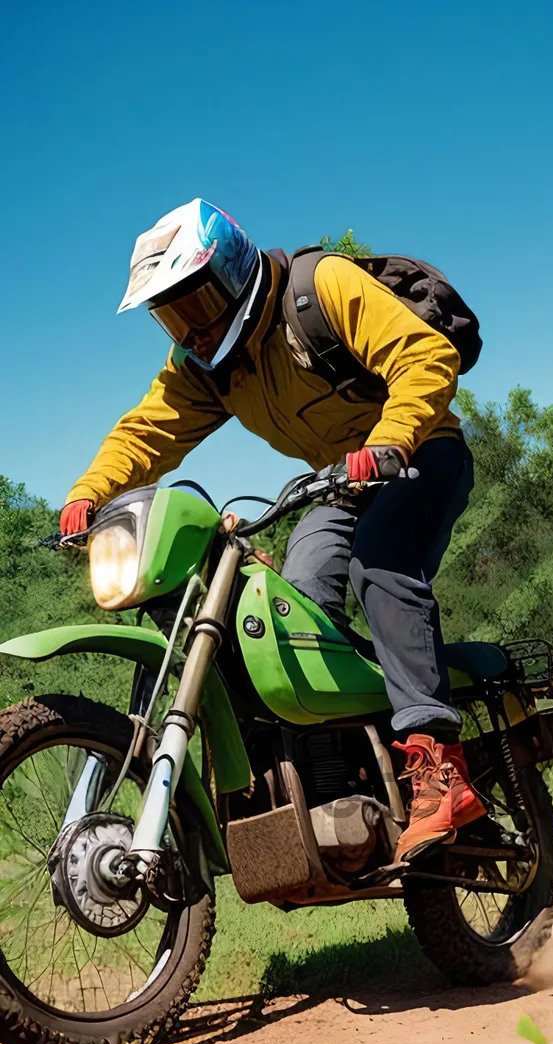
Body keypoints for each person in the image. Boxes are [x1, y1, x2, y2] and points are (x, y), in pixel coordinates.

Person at [60, 199, 484, 863]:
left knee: (381, 560)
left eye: (194, 306)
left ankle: (439, 767)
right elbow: (146, 430)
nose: (190, 332)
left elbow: (425, 356)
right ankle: (346, 776)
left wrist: (393, 439)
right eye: (170, 316)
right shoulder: (207, 368)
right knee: (296, 615)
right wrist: (90, 492)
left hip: (420, 452)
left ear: (232, 274)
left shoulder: (322, 289)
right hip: (337, 483)